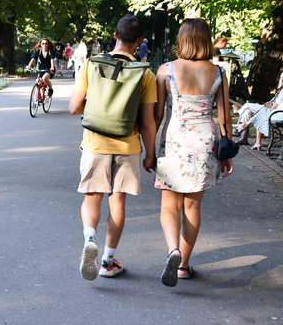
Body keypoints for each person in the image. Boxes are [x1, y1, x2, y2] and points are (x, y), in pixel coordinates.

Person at [69, 15, 157, 280]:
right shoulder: (145, 73)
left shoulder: (91, 64)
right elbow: (148, 122)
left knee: (92, 196)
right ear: (139, 41)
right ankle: (107, 260)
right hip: (128, 144)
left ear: (114, 34)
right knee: (117, 201)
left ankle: (89, 240)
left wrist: (97, 109)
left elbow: (74, 107)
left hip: (95, 142)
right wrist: (150, 154)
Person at [153, 18, 234, 286]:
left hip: (176, 138)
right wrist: (227, 152)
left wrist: (149, 149)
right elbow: (225, 117)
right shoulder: (219, 73)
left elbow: (156, 114)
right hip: (204, 141)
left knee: (169, 204)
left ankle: (172, 250)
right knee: (192, 204)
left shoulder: (166, 70)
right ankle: (184, 266)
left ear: (182, 39)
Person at [233, 70, 283, 149]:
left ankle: (239, 120)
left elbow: (275, 106)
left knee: (248, 105)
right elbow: (274, 103)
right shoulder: (280, 90)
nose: (281, 80)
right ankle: (244, 138)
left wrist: (265, 105)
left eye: (282, 78)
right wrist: (263, 104)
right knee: (247, 111)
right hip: (270, 109)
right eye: (281, 78)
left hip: (273, 111)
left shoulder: (282, 91)